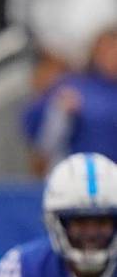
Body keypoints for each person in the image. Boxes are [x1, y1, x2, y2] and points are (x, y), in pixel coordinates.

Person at [0, 152, 117, 277]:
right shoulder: (22, 268)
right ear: (56, 223)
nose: (91, 233)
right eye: (80, 222)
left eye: (102, 222)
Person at [24, 11, 117, 175]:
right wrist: (58, 112)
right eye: (107, 51)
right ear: (95, 53)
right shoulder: (72, 86)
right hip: (81, 180)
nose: (112, 57)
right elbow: (39, 139)